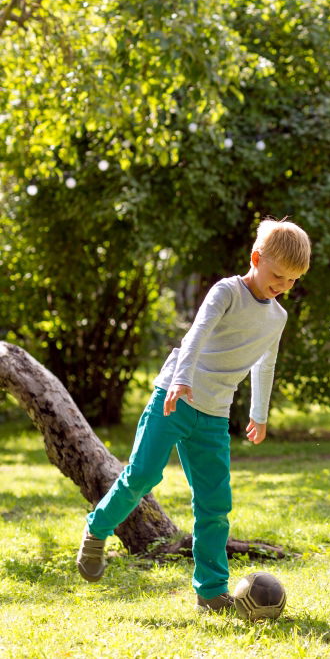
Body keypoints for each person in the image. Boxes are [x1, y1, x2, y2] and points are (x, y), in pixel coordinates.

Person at [75, 219, 311, 610]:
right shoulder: (227, 292)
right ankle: (97, 528)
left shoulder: (278, 317)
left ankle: (211, 592)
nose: (283, 285)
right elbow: (197, 334)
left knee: (214, 504)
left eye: (292, 281)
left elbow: (265, 364)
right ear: (256, 259)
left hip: (215, 414)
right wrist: (181, 380)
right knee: (142, 475)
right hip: (174, 396)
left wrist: (259, 414)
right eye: (278, 275)